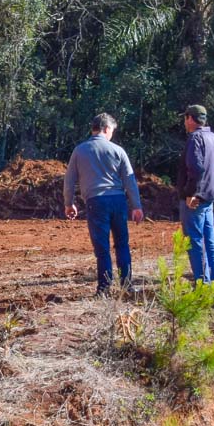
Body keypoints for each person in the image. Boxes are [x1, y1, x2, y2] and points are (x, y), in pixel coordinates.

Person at [63, 113, 145, 294]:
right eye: (111, 131)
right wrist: (136, 206)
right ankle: (126, 285)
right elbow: (129, 181)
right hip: (118, 201)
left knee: (102, 248)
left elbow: (69, 180)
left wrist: (69, 204)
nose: (111, 135)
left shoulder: (79, 150)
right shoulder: (118, 150)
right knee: (122, 244)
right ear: (106, 128)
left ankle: (104, 288)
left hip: (95, 201)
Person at [177, 104, 214, 286]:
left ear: (190, 118)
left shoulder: (195, 139)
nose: (184, 122)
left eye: (185, 118)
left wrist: (191, 193)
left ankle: (202, 284)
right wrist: (212, 191)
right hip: (208, 198)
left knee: (195, 242)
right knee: (210, 240)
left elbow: (195, 168)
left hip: (194, 200)